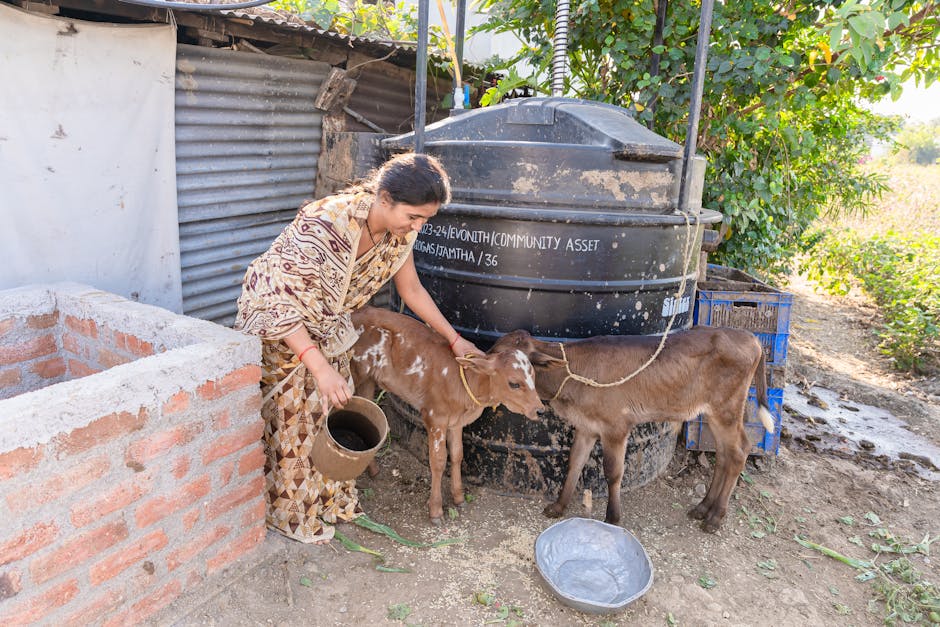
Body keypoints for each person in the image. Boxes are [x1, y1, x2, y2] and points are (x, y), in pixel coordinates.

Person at [234, 152, 482, 543]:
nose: (418, 226)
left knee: (331, 418)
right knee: (293, 426)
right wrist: (318, 366)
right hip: (282, 332)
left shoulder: (400, 234)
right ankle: (291, 514)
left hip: (329, 330)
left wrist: (454, 339)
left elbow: (411, 290)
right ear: (384, 199)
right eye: (413, 217)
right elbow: (273, 299)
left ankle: (327, 501)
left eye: (425, 220)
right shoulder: (326, 222)